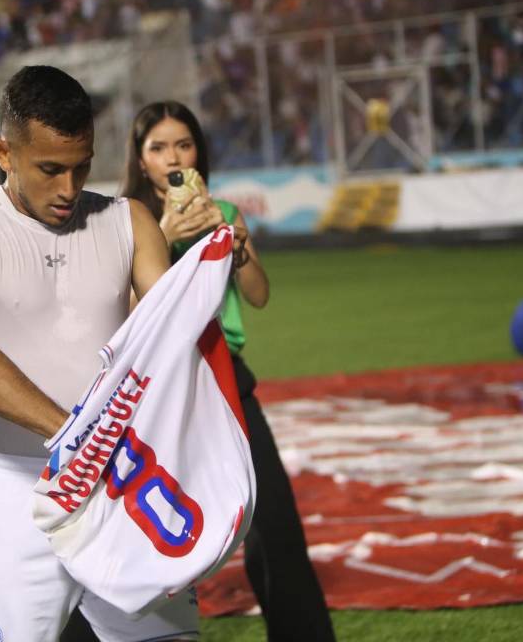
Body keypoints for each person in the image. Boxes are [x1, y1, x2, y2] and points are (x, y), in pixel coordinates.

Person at [0, 66, 198, 641]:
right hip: (13, 490)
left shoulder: (129, 220)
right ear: (4, 152)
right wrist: (76, 434)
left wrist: (213, 268)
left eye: (82, 166)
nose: (69, 188)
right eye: (49, 169)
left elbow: (175, 333)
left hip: (121, 488)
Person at [119, 101, 335, 641]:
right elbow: (118, 315)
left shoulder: (226, 211)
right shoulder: (125, 220)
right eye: (159, 147)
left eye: (184, 144)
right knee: (143, 529)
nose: (174, 156)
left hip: (225, 377)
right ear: (141, 161)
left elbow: (259, 296)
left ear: (199, 153)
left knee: (275, 523)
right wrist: (162, 235)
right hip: (159, 387)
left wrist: (238, 250)